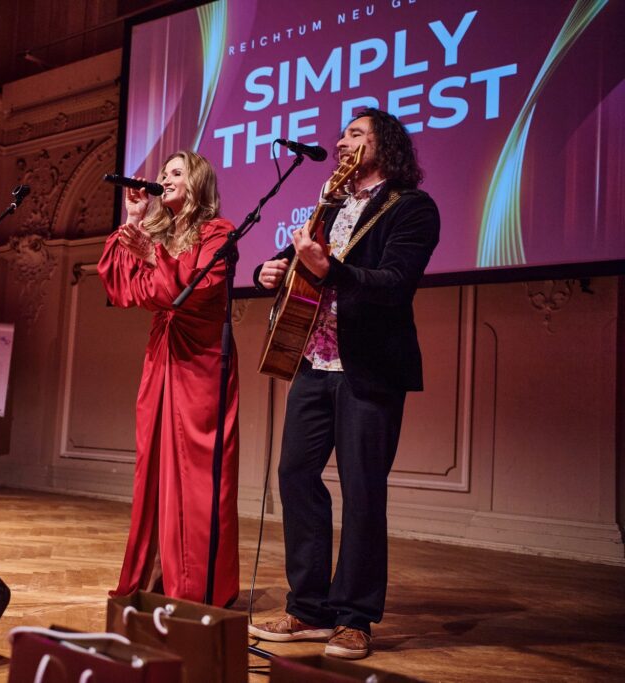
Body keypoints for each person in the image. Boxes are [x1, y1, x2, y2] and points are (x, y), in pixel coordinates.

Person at [248, 109, 440, 658]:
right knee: (295, 474)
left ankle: (355, 617)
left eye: (356, 133)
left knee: (362, 489)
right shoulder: (330, 204)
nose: (341, 142)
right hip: (314, 363)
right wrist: (270, 269)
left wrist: (329, 270)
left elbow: (394, 283)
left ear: (386, 145)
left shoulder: (412, 207)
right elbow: (297, 260)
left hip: (370, 369)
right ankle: (309, 609)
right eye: (342, 135)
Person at [98, 150, 240, 607]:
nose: (165, 178)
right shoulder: (159, 233)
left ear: (197, 181)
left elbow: (189, 291)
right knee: (153, 466)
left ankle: (198, 586)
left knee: (198, 473)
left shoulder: (218, 232)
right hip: (162, 355)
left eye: (176, 172)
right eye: (164, 173)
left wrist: (152, 253)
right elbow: (125, 289)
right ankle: (154, 577)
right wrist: (134, 219)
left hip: (202, 360)